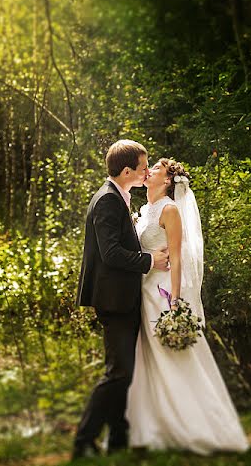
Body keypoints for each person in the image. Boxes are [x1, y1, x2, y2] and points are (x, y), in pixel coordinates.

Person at [126, 158, 250, 454]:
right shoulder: (144, 211)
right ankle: (157, 425)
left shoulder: (169, 210)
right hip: (144, 289)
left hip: (163, 290)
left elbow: (179, 257)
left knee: (173, 354)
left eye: (154, 169)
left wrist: (177, 301)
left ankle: (200, 424)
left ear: (167, 181)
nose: (148, 171)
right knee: (150, 356)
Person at [72, 140, 170, 460]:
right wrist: (148, 261)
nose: (146, 172)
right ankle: (84, 440)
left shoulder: (119, 198)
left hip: (123, 297)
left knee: (123, 371)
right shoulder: (107, 201)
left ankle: (117, 437)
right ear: (127, 171)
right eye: (143, 167)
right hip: (113, 299)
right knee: (119, 373)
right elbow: (110, 253)